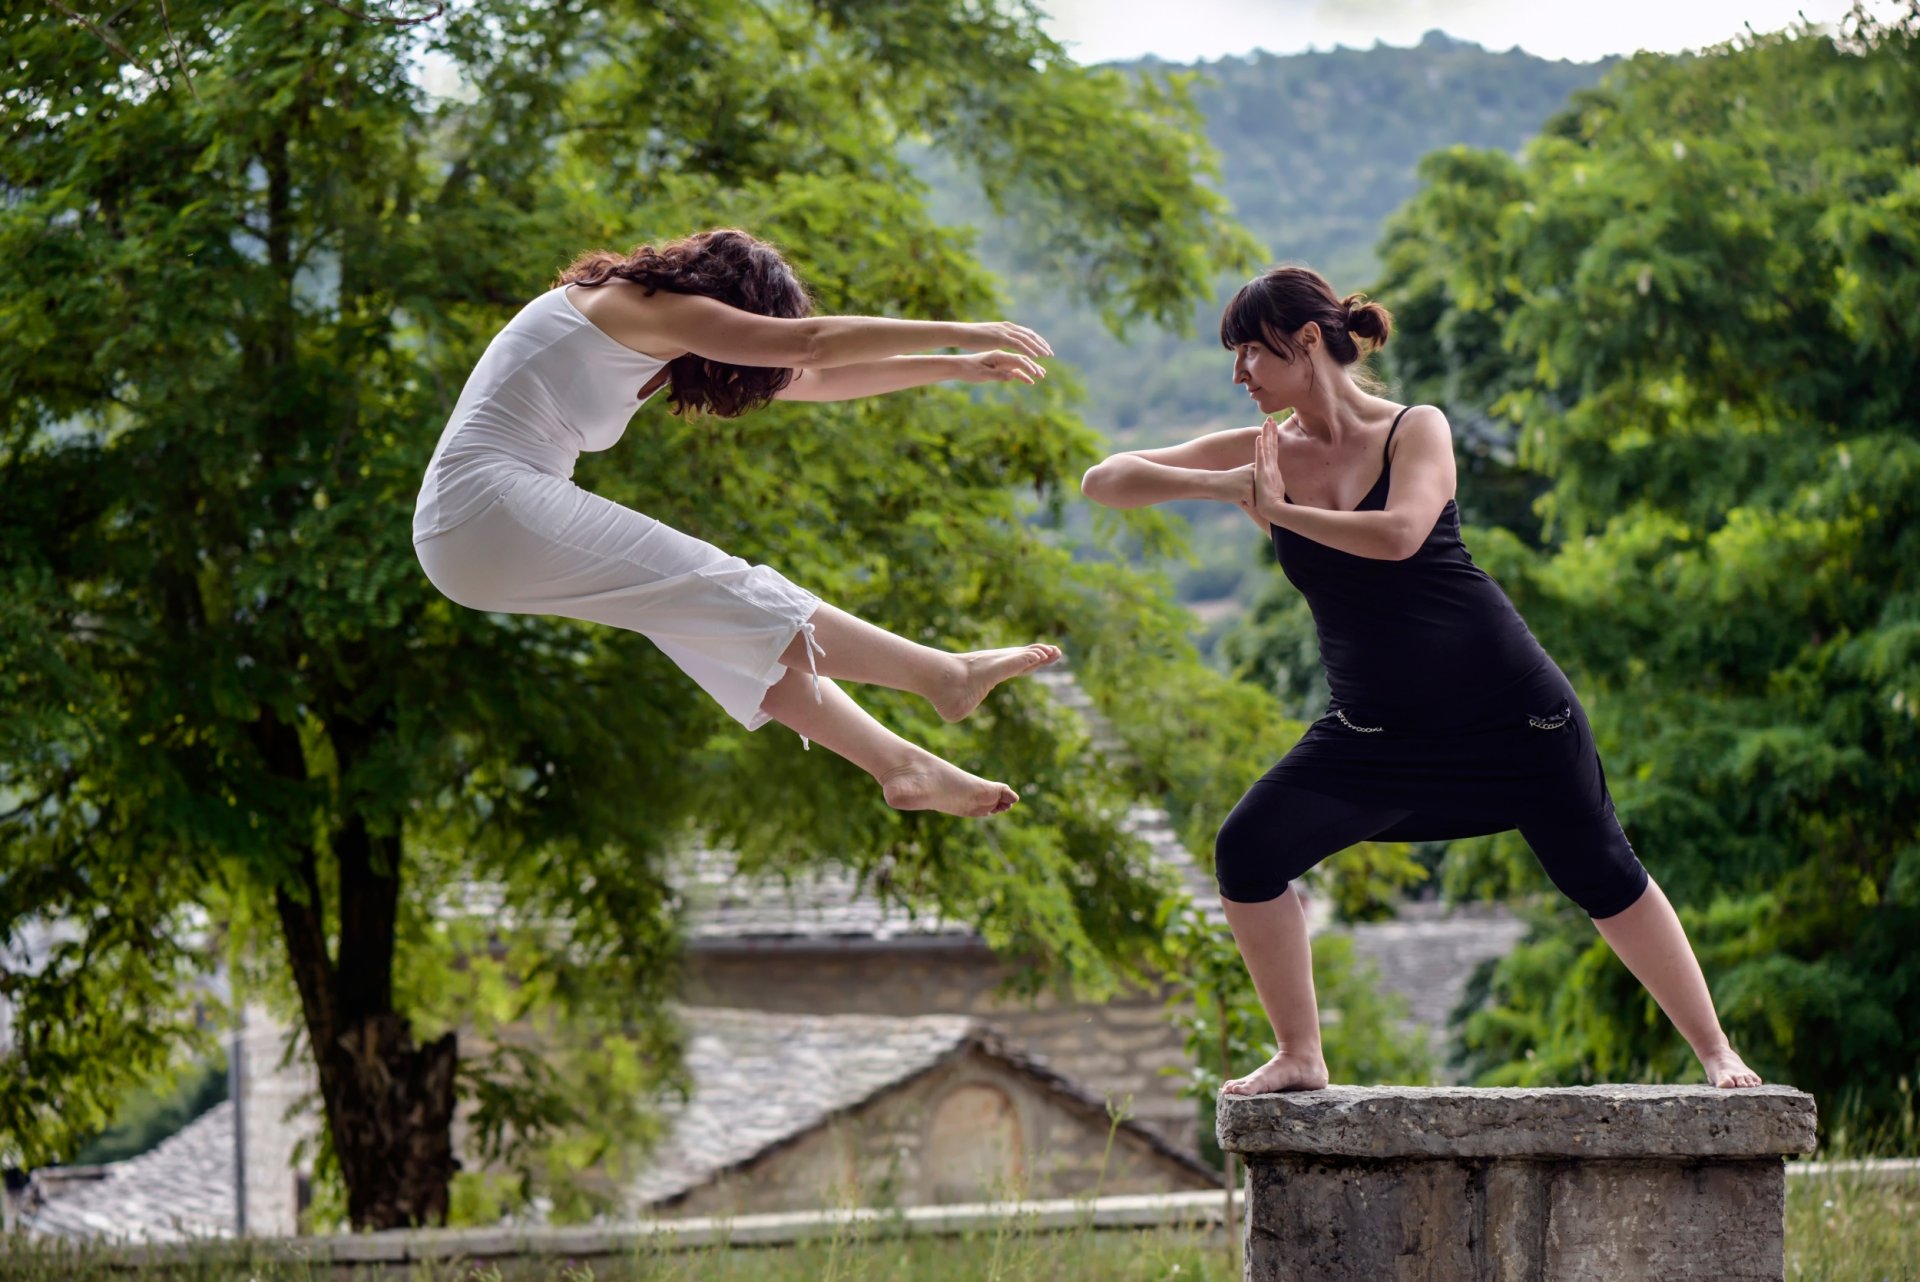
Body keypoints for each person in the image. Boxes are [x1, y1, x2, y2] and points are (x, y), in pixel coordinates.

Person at [1080, 266, 1762, 1091]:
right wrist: (1219, 484)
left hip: (1514, 716)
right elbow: (1103, 481)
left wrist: (1280, 511)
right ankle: (1300, 1054)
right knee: (1248, 852)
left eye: (1250, 355)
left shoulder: (1415, 429)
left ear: (1304, 344)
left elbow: (1401, 535)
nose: (1239, 377)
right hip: (1376, 733)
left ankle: (1719, 1053)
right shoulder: (1263, 453)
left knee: (1605, 875)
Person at [414, 228, 1061, 819]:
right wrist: (968, 331)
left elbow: (806, 377)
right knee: (715, 583)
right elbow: (809, 344)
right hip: (487, 504)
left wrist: (954, 367)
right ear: (724, 299)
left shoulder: (653, 341)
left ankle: (902, 764)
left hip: (478, 532)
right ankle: (940, 675)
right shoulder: (639, 305)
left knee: (701, 618)